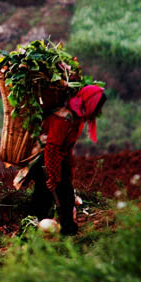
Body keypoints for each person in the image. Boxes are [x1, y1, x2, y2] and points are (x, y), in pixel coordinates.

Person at [26, 84, 106, 236]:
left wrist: (67, 171)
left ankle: (57, 229)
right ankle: (41, 229)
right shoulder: (63, 119)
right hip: (43, 159)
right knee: (50, 195)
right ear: (90, 103)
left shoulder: (76, 118)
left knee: (58, 194)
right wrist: (53, 175)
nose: (99, 111)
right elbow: (52, 148)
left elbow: (66, 149)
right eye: (98, 106)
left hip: (54, 159)